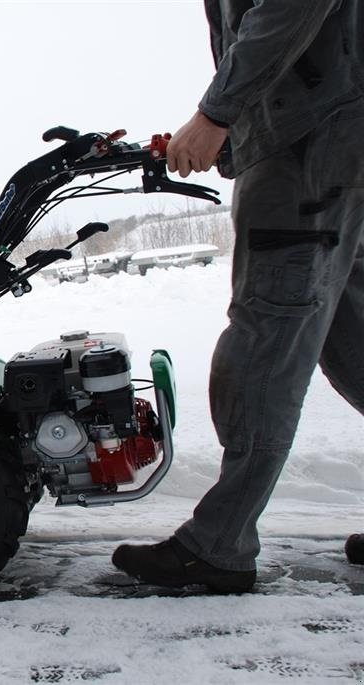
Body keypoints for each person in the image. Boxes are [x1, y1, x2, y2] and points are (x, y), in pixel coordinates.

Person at [112, 0, 364, 593]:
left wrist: (217, 114)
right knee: (351, 339)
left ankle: (219, 545)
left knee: (265, 342)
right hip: (333, 137)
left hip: (310, 145)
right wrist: (227, 139)